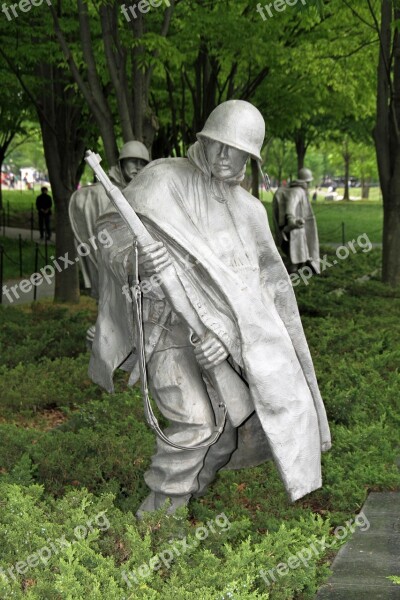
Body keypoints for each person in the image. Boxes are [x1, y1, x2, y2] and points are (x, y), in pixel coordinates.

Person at [89, 100, 331, 517]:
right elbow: (109, 232)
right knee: (197, 422)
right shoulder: (162, 177)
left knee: (223, 434)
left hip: (217, 342)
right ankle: (156, 521)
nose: (224, 156)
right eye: (217, 144)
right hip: (163, 327)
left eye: (235, 150)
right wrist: (138, 257)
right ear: (203, 139)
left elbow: (262, 295)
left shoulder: (251, 212)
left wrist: (227, 342)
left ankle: (180, 503)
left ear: (249, 157)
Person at [69, 141, 150, 301]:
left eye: (142, 163)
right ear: (121, 163)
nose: (138, 167)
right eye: (133, 161)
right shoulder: (100, 194)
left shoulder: (145, 191)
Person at [272, 168, 320, 274]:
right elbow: (291, 205)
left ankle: (300, 265)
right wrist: (291, 219)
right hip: (294, 226)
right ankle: (293, 268)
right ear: (306, 182)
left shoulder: (294, 189)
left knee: (299, 247)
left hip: (296, 225)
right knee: (295, 247)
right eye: (308, 182)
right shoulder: (298, 191)